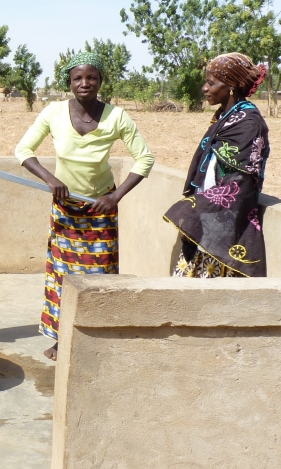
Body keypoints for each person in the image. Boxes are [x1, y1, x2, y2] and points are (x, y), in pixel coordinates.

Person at [15, 52, 154, 361]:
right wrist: (51, 179)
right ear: (69, 82)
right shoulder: (53, 112)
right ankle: (60, 338)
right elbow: (23, 149)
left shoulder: (117, 117)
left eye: (91, 77)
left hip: (100, 208)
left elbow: (145, 158)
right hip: (65, 209)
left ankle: (99, 334)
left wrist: (115, 197)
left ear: (100, 81)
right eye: (78, 77)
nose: (85, 83)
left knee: (100, 274)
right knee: (62, 275)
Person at [164, 53, 268, 278]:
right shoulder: (226, 117)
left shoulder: (248, 123)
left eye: (211, 83)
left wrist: (199, 206)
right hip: (207, 217)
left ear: (231, 86)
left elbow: (240, 183)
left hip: (224, 223)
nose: (204, 88)